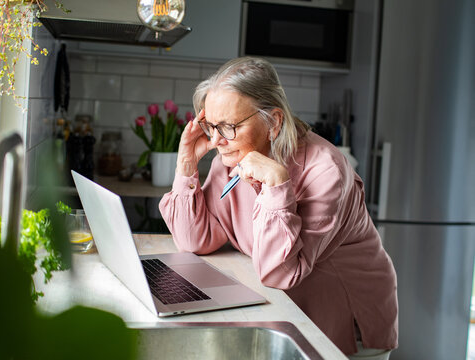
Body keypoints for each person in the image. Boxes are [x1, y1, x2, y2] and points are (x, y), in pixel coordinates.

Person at [158, 57, 398, 358]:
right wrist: (186, 164)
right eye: (211, 126)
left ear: (274, 121)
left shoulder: (326, 170)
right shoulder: (231, 156)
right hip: (286, 308)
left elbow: (280, 272)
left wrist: (276, 185)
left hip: (342, 323)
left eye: (229, 126)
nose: (217, 140)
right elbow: (194, 240)